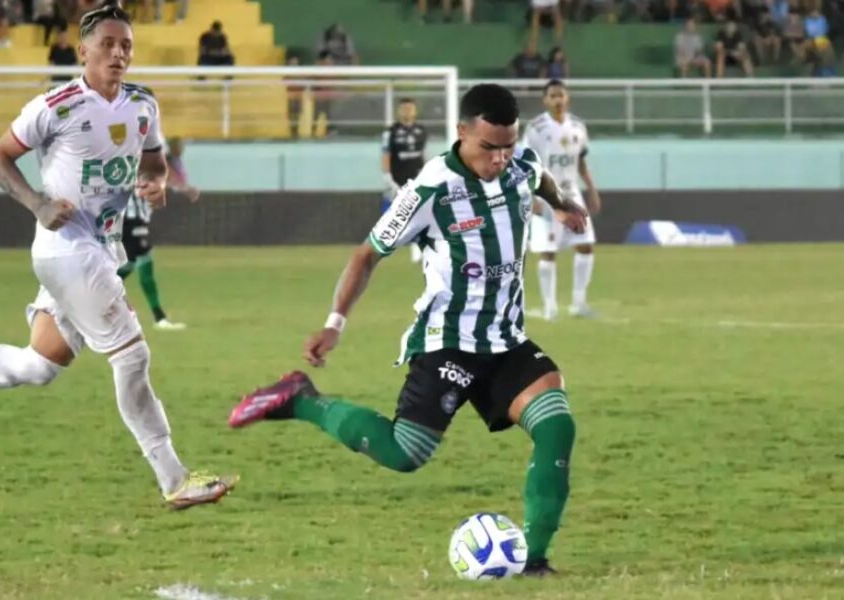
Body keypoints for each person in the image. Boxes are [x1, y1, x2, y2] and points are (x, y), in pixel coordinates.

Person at [0, 4, 237, 510]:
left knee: (37, 365)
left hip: (100, 249)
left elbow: (155, 161)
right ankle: (174, 479)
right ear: (83, 51)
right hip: (66, 249)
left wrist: (156, 185)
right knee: (132, 353)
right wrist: (38, 203)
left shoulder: (142, 105)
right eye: (109, 44)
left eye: (127, 45)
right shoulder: (56, 105)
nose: (119, 53)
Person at [228, 84, 588, 577]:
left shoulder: (520, 160)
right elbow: (366, 254)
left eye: (507, 146)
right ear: (462, 133)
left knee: (557, 426)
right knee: (405, 453)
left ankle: (535, 559)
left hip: (506, 340)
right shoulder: (431, 187)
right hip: (447, 344)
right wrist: (334, 324)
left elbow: (538, 174)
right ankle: (301, 399)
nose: (500, 159)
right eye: (489, 148)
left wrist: (563, 202)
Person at [524, 80, 601, 320]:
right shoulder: (536, 128)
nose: (557, 99)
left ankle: (579, 303)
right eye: (553, 96)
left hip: (572, 194)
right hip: (546, 195)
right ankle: (550, 307)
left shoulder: (578, 126)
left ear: (568, 98)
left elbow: (581, 162)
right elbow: (527, 165)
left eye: (561, 95)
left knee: (586, 245)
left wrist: (592, 189)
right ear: (545, 100)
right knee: (548, 251)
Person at [118, 136, 199, 331]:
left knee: (133, 263)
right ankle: (159, 317)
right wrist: (185, 188)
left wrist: (183, 187)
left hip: (135, 219)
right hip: (130, 220)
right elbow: (164, 173)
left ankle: (93, 295)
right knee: (141, 259)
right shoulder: (133, 159)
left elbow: (165, 174)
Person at [382, 98, 428, 263]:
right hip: (397, 179)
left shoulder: (421, 130)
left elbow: (422, 153)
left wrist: (426, 172)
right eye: (404, 108)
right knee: (393, 214)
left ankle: (417, 248)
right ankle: (386, 244)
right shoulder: (391, 132)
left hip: (416, 178)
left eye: (410, 108)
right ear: (399, 111)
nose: (407, 111)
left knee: (419, 213)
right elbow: (386, 154)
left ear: (415, 111)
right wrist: (387, 176)